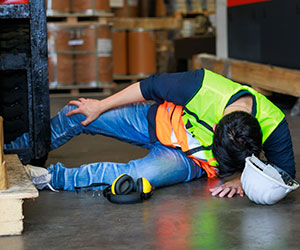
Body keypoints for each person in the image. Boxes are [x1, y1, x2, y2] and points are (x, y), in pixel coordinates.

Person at [6, 69, 296, 198]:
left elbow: (284, 177)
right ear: (217, 125)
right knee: (82, 115)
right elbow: (149, 87)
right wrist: (100, 105)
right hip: (156, 120)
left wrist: (241, 180)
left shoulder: (274, 124)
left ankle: (45, 178)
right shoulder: (202, 86)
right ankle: (16, 152)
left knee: (132, 176)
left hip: (188, 161)